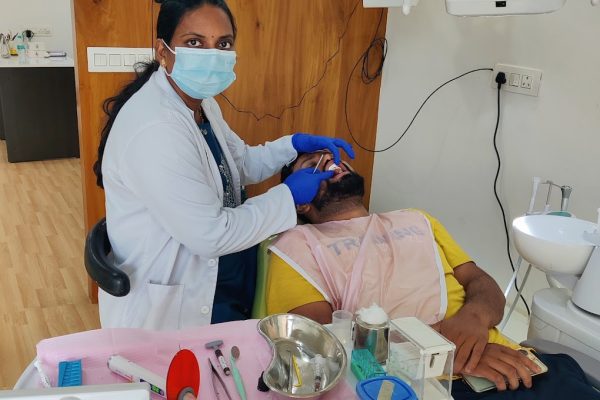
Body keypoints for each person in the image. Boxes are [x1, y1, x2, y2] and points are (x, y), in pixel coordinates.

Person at [95, 0, 354, 330]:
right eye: (194, 42)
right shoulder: (156, 128)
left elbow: (239, 162)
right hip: (170, 306)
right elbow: (210, 236)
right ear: (163, 51)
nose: (212, 55)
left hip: (223, 275)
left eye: (224, 43)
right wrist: (288, 196)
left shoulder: (201, 104)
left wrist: (291, 145)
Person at [266, 150, 600, 399]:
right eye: (313, 167)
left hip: (519, 363)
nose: (332, 163)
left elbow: (481, 282)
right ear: (300, 203)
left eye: (335, 157)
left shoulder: (417, 219)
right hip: (426, 384)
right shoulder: (296, 246)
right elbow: (321, 348)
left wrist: (473, 318)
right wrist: (438, 353)